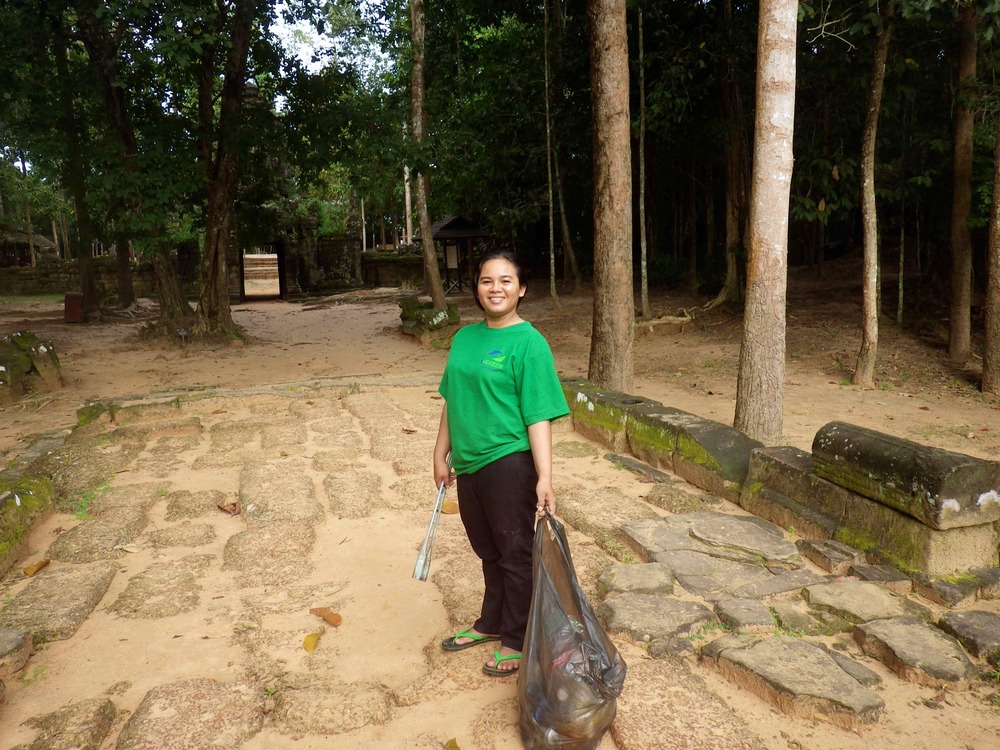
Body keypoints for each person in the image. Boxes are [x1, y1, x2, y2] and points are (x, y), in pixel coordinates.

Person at [433, 248, 569, 677]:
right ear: (477, 288)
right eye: (487, 281)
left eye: (506, 281)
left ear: (522, 289)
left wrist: (544, 476)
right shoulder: (465, 339)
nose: (496, 288)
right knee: (487, 550)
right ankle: (491, 623)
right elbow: (453, 398)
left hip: (508, 462)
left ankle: (516, 637)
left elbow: (538, 413)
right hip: (469, 463)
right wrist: (440, 451)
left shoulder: (530, 343)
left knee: (513, 553)